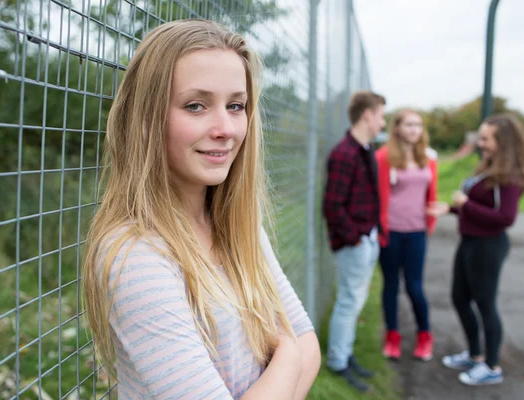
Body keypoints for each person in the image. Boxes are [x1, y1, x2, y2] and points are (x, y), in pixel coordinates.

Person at [82, 19, 320, 400]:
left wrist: (293, 356)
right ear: (146, 118)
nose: (225, 127)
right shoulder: (137, 256)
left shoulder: (238, 226)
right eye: (196, 106)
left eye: (236, 106)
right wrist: (287, 357)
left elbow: (310, 343)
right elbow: (298, 348)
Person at [428, 113, 524, 386]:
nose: (480, 143)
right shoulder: (489, 167)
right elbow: (480, 208)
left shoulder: (510, 175)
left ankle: (492, 366)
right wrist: (450, 209)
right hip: (470, 242)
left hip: (488, 246)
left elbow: (504, 218)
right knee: (460, 298)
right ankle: (475, 354)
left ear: (503, 142)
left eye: (486, 139)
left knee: (485, 304)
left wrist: (464, 205)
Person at [323, 90, 387, 392]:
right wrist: (356, 239)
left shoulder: (365, 149)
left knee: (355, 301)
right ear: (367, 115)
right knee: (348, 302)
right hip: (354, 243)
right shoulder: (344, 154)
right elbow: (332, 207)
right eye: (381, 115)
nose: (383, 121)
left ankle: (345, 355)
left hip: (366, 237)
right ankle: (337, 361)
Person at [375, 109, 438, 361]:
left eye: (418, 125)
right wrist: (381, 229)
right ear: (397, 128)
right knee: (391, 285)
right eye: (409, 124)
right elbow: (380, 194)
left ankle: (425, 336)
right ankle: (392, 336)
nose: (414, 129)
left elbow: (431, 193)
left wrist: (430, 221)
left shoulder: (429, 158)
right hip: (391, 232)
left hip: (416, 232)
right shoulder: (383, 157)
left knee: (414, 286)